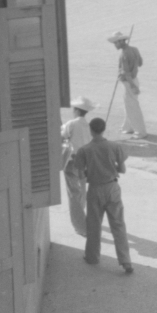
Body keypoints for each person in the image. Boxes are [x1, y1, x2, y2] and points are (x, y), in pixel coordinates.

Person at [74, 118, 133, 273]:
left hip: (94, 189)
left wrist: (92, 171)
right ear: (104, 129)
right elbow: (122, 170)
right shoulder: (115, 146)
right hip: (112, 188)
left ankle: (92, 257)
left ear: (91, 130)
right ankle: (126, 261)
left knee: (93, 225)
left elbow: (80, 174)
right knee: (118, 225)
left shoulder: (84, 150)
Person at [61, 97, 95, 236]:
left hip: (72, 161)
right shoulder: (89, 126)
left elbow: (62, 134)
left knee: (73, 193)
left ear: (76, 110)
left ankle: (81, 226)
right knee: (82, 191)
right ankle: (81, 216)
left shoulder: (72, 123)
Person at [108, 31, 147, 138]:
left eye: (116, 43)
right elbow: (140, 63)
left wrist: (133, 87)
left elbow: (126, 73)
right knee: (129, 105)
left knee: (132, 106)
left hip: (129, 82)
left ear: (121, 42)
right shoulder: (135, 49)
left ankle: (140, 131)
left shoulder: (123, 55)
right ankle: (128, 127)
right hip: (135, 80)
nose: (115, 45)